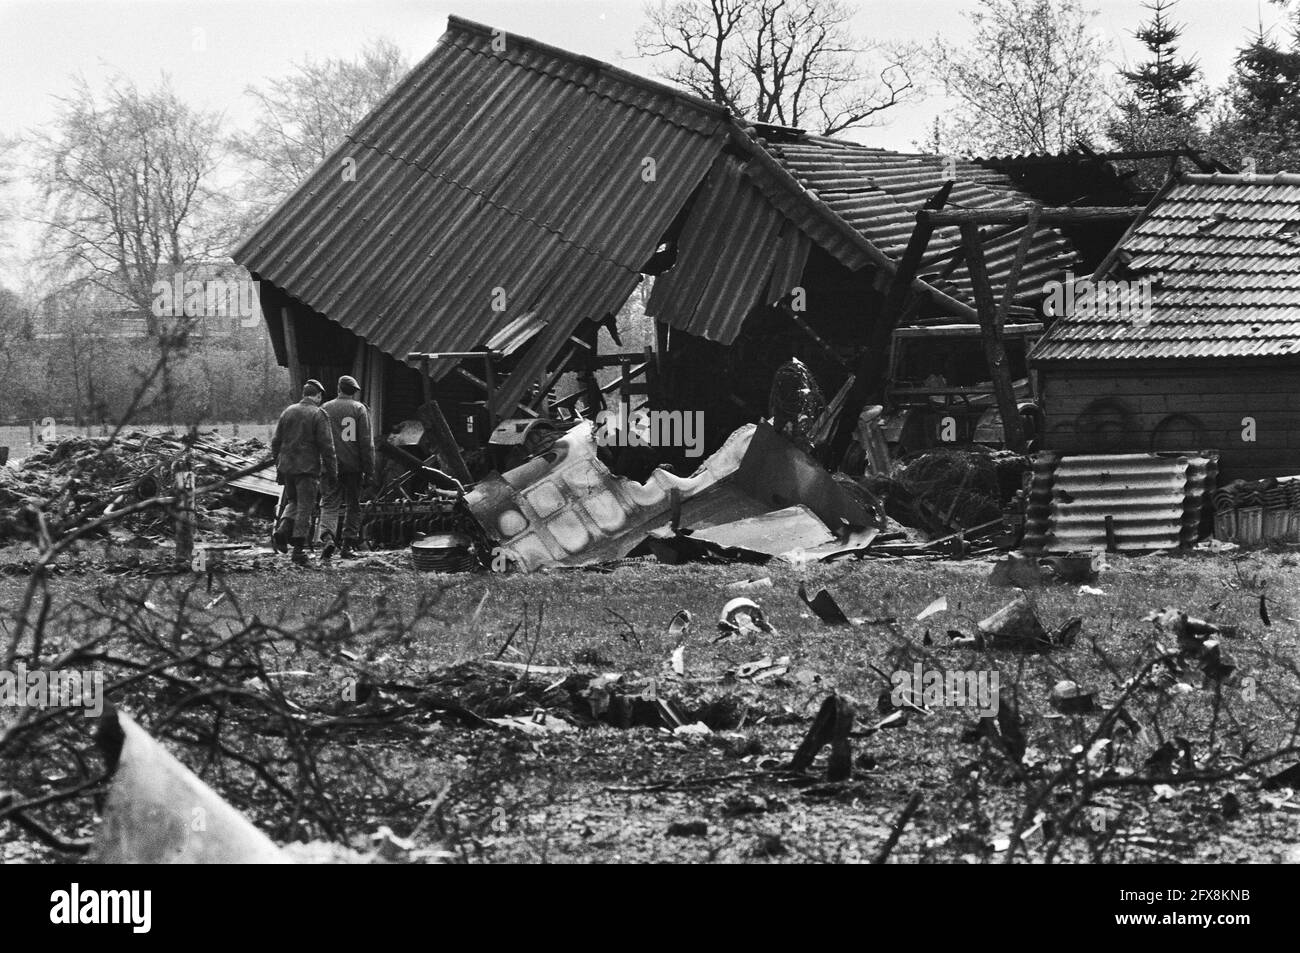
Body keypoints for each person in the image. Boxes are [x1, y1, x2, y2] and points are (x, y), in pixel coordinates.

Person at [271, 379, 338, 566]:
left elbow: (275, 442)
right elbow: (327, 447)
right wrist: (333, 472)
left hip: (287, 468)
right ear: (318, 396)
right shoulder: (318, 414)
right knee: (305, 508)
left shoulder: (288, 411)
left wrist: (279, 464)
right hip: (307, 470)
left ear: (304, 394)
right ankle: (299, 551)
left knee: (293, 502)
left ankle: (282, 531)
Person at [319, 375, 375, 559]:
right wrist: (369, 470)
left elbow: (318, 438)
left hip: (330, 465)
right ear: (354, 391)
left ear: (338, 388)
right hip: (353, 466)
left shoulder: (325, 408)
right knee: (353, 505)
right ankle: (347, 545)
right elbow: (366, 443)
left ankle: (327, 538)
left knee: (329, 504)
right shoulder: (359, 409)